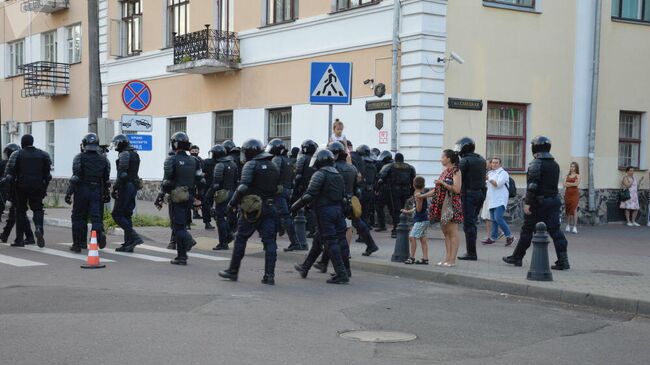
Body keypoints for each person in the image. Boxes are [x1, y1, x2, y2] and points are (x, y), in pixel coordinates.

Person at [503, 136, 570, 270]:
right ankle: (563, 261)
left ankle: (517, 257)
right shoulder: (554, 164)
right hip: (553, 200)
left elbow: (533, 185)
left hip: (539, 202)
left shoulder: (536, 163)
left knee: (527, 229)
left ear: (536, 147)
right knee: (556, 231)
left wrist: (528, 203)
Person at [219, 139, 280, 285]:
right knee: (270, 242)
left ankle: (233, 271)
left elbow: (243, 187)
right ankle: (269, 276)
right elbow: (278, 188)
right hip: (270, 207)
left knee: (241, 238)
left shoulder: (251, 164)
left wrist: (232, 203)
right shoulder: (273, 165)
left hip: (252, 209)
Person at [292, 149, 350, 284]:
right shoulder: (337, 174)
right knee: (322, 241)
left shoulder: (320, 174)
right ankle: (305, 267)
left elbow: (309, 195)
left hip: (325, 212)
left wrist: (294, 207)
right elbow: (343, 196)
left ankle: (342, 274)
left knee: (331, 242)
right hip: (338, 211)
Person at [155, 132, 203, 265]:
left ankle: (189, 240)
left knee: (177, 227)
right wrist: (198, 198)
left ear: (174, 144)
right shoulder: (195, 161)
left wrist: (160, 196)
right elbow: (201, 181)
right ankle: (181, 256)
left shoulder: (171, 160)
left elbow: (167, 182)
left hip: (176, 196)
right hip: (189, 196)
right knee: (181, 225)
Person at [64, 133, 111, 253]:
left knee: (78, 217)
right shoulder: (104, 159)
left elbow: (75, 177)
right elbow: (106, 179)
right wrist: (106, 193)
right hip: (97, 190)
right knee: (96, 218)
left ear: (84, 144)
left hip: (82, 190)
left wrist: (69, 193)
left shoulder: (79, 157)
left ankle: (78, 244)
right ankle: (96, 238)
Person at [3, 134, 52, 248]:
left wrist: (8, 189)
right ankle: (39, 228)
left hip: (21, 187)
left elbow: (9, 173)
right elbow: (48, 174)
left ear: (22, 143)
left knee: (20, 211)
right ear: (32, 142)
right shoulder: (44, 154)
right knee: (38, 209)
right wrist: (44, 187)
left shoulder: (16, 154)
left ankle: (19, 240)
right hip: (38, 186)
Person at [422, 150, 463, 267]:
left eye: (442, 157)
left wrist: (442, 183)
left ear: (449, 159)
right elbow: (437, 190)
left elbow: (457, 189)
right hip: (441, 204)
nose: (441, 159)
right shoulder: (445, 172)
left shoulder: (456, 171)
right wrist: (422, 196)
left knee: (452, 232)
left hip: (451, 204)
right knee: (446, 233)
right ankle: (447, 258)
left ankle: (452, 260)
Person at [110, 134, 144, 252]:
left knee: (117, 214)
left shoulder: (124, 154)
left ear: (121, 143)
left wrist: (115, 188)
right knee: (127, 215)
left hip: (125, 186)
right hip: (133, 186)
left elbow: (122, 174)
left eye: (116, 144)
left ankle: (134, 238)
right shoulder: (135, 153)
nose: (115, 146)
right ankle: (128, 243)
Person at [266, 138, 301, 252]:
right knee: (281, 216)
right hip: (286, 190)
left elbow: (272, 174)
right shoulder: (288, 160)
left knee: (284, 217)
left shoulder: (277, 159)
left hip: (278, 192)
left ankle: (294, 242)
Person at [455, 137, 486, 261]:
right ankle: (471, 251)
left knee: (468, 224)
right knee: (472, 223)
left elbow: (457, 176)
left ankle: (471, 253)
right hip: (480, 193)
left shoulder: (465, 161)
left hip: (469, 194)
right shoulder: (481, 159)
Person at [0, 143, 35, 246]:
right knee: (16, 214)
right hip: (20, 191)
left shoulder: (4, 164)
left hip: (8, 192)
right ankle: (5, 235)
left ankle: (29, 237)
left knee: (19, 214)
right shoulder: (22, 162)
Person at [206, 144, 238, 250]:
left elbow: (216, 183)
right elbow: (236, 181)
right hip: (232, 193)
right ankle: (229, 235)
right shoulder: (233, 164)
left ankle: (223, 242)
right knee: (227, 216)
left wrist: (208, 195)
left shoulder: (220, 165)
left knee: (220, 218)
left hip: (222, 194)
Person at [378, 153, 416, 238]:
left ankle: (396, 229)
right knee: (402, 209)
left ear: (395, 158)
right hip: (405, 191)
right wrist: (411, 192)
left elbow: (381, 178)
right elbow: (414, 181)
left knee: (396, 210)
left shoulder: (390, 166)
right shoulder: (410, 167)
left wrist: (378, 189)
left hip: (394, 191)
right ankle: (402, 227)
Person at [481, 157, 515, 246]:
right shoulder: (490, 172)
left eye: (496, 163)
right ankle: (493, 238)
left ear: (500, 164)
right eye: (493, 163)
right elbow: (486, 185)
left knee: (498, 218)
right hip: (491, 199)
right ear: (491, 164)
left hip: (500, 199)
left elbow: (498, 184)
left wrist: (489, 179)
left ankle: (510, 236)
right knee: (493, 220)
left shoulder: (503, 173)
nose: (494, 164)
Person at [401, 176, 429, 265]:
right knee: (423, 239)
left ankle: (411, 257)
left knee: (412, 237)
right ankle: (425, 259)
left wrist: (417, 201)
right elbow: (416, 208)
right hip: (424, 219)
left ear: (414, 185)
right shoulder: (420, 193)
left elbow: (419, 209)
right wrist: (408, 211)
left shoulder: (418, 194)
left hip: (420, 220)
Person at [293, 139, 318, 239]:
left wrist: (296, 187)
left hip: (304, 187)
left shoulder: (303, 158)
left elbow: (298, 175)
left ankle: (311, 229)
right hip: (314, 186)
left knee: (306, 208)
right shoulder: (316, 158)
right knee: (312, 208)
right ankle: (313, 228)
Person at [374, 150, 393, 232]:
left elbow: (381, 179)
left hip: (385, 190)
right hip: (393, 191)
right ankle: (396, 226)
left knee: (379, 207)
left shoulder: (387, 166)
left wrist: (376, 189)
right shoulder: (396, 165)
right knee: (393, 209)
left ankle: (382, 225)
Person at [201, 145, 218, 230]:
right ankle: (208, 221)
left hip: (209, 185)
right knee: (207, 203)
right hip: (213, 186)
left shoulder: (207, 161)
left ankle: (208, 222)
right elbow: (202, 173)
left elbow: (202, 173)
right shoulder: (224, 162)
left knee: (207, 203)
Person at [480, 159, 494, 244]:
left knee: (488, 217)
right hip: (486, 197)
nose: (485, 165)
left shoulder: (492, 173)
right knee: (485, 217)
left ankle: (490, 235)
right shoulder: (487, 172)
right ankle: (495, 233)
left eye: (487, 164)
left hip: (491, 197)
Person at [563, 162, 581, 233]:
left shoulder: (578, 175)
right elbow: (564, 184)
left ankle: (574, 227)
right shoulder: (566, 175)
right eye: (571, 166)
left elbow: (577, 184)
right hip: (567, 194)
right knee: (568, 209)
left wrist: (569, 183)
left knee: (574, 210)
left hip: (575, 194)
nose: (572, 168)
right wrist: (572, 184)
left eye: (573, 167)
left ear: (576, 168)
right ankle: (567, 225)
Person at [190, 145, 203, 220]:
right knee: (192, 197)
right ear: (190, 151)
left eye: (196, 151)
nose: (194, 152)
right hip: (191, 182)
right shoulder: (188, 159)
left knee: (199, 198)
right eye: (193, 151)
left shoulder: (200, 160)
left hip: (199, 182)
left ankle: (196, 213)